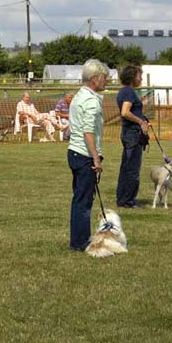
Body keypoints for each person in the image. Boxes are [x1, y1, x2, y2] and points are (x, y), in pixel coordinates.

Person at [67, 59, 109, 251]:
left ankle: (78, 239)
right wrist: (95, 158)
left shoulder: (78, 96)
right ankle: (80, 242)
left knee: (79, 198)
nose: (106, 80)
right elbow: (88, 131)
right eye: (104, 77)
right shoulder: (92, 101)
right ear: (94, 79)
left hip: (74, 152)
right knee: (84, 201)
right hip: (84, 155)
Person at [116, 65, 150, 208]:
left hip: (127, 132)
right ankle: (128, 200)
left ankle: (122, 198)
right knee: (132, 169)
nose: (141, 78)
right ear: (132, 77)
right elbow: (125, 112)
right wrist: (140, 121)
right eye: (139, 76)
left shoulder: (123, 91)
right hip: (132, 134)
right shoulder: (129, 92)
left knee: (126, 167)